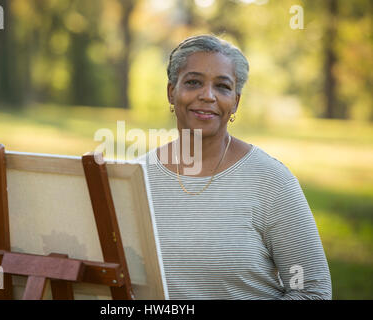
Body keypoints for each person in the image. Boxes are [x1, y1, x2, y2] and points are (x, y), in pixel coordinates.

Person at [138, 34, 332, 299]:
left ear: (236, 101)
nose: (207, 96)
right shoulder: (137, 176)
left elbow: (313, 290)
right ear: (172, 92)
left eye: (222, 86)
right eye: (193, 82)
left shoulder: (271, 180)